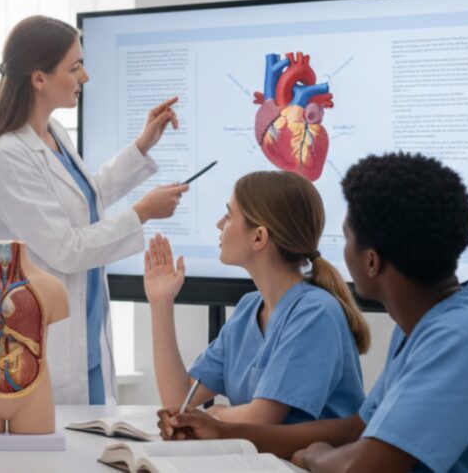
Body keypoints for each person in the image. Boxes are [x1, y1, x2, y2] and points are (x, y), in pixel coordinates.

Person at [162, 153, 468, 473]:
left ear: (371, 261)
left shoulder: (458, 340)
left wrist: (314, 456)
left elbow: (363, 467)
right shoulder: (437, 321)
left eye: (346, 238)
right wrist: (224, 430)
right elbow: (360, 427)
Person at [0, 15, 189, 405]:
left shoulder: (53, 135)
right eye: (75, 67)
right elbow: (65, 248)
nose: (85, 76)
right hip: (44, 346)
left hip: (85, 338)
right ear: (39, 79)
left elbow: (84, 201)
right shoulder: (6, 156)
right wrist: (142, 213)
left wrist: (142, 146)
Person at [145, 171, 370, 427]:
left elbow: (261, 419)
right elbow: (177, 399)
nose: (219, 224)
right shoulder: (248, 308)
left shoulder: (315, 313)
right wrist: (161, 303)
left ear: (259, 237)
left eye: (229, 215)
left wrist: (214, 415)